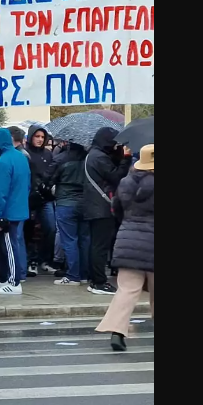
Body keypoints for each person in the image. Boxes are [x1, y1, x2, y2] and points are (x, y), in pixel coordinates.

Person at [97, 144, 153, 350]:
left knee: (127, 290)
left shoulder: (126, 182)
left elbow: (117, 209)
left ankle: (117, 332)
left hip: (128, 240)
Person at [50, 136, 105, 290]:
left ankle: (72, 275)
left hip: (66, 203)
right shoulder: (89, 159)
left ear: (69, 142)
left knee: (69, 240)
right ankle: (83, 275)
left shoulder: (61, 158)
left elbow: (50, 179)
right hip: (86, 203)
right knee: (85, 240)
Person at [81, 127, 128, 295]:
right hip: (102, 207)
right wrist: (126, 160)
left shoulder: (92, 155)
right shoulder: (99, 157)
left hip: (94, 206)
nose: (115, 145)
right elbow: (116, 177)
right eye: (113, 142)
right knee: (100, 247)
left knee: (95, 245)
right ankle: (99, 282)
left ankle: (95, 279)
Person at [0, 127, 31, 294]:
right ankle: (3, 278)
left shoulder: (2, 162)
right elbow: (27, 185)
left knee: (9, 247)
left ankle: (13, 282)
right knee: (6, 246)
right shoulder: (21, 157)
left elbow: (0, 193)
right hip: (19, 207)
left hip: (7, 211)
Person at [25, 127, 61, 277]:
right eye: (37, 136)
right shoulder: (26, 152)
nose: (40, 139)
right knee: (30, 230)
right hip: (30, 198)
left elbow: (52, 172)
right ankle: (30, 261)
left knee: (50, 228)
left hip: (46, 197)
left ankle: (44, 260)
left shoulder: (48, 154)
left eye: (42, 136)